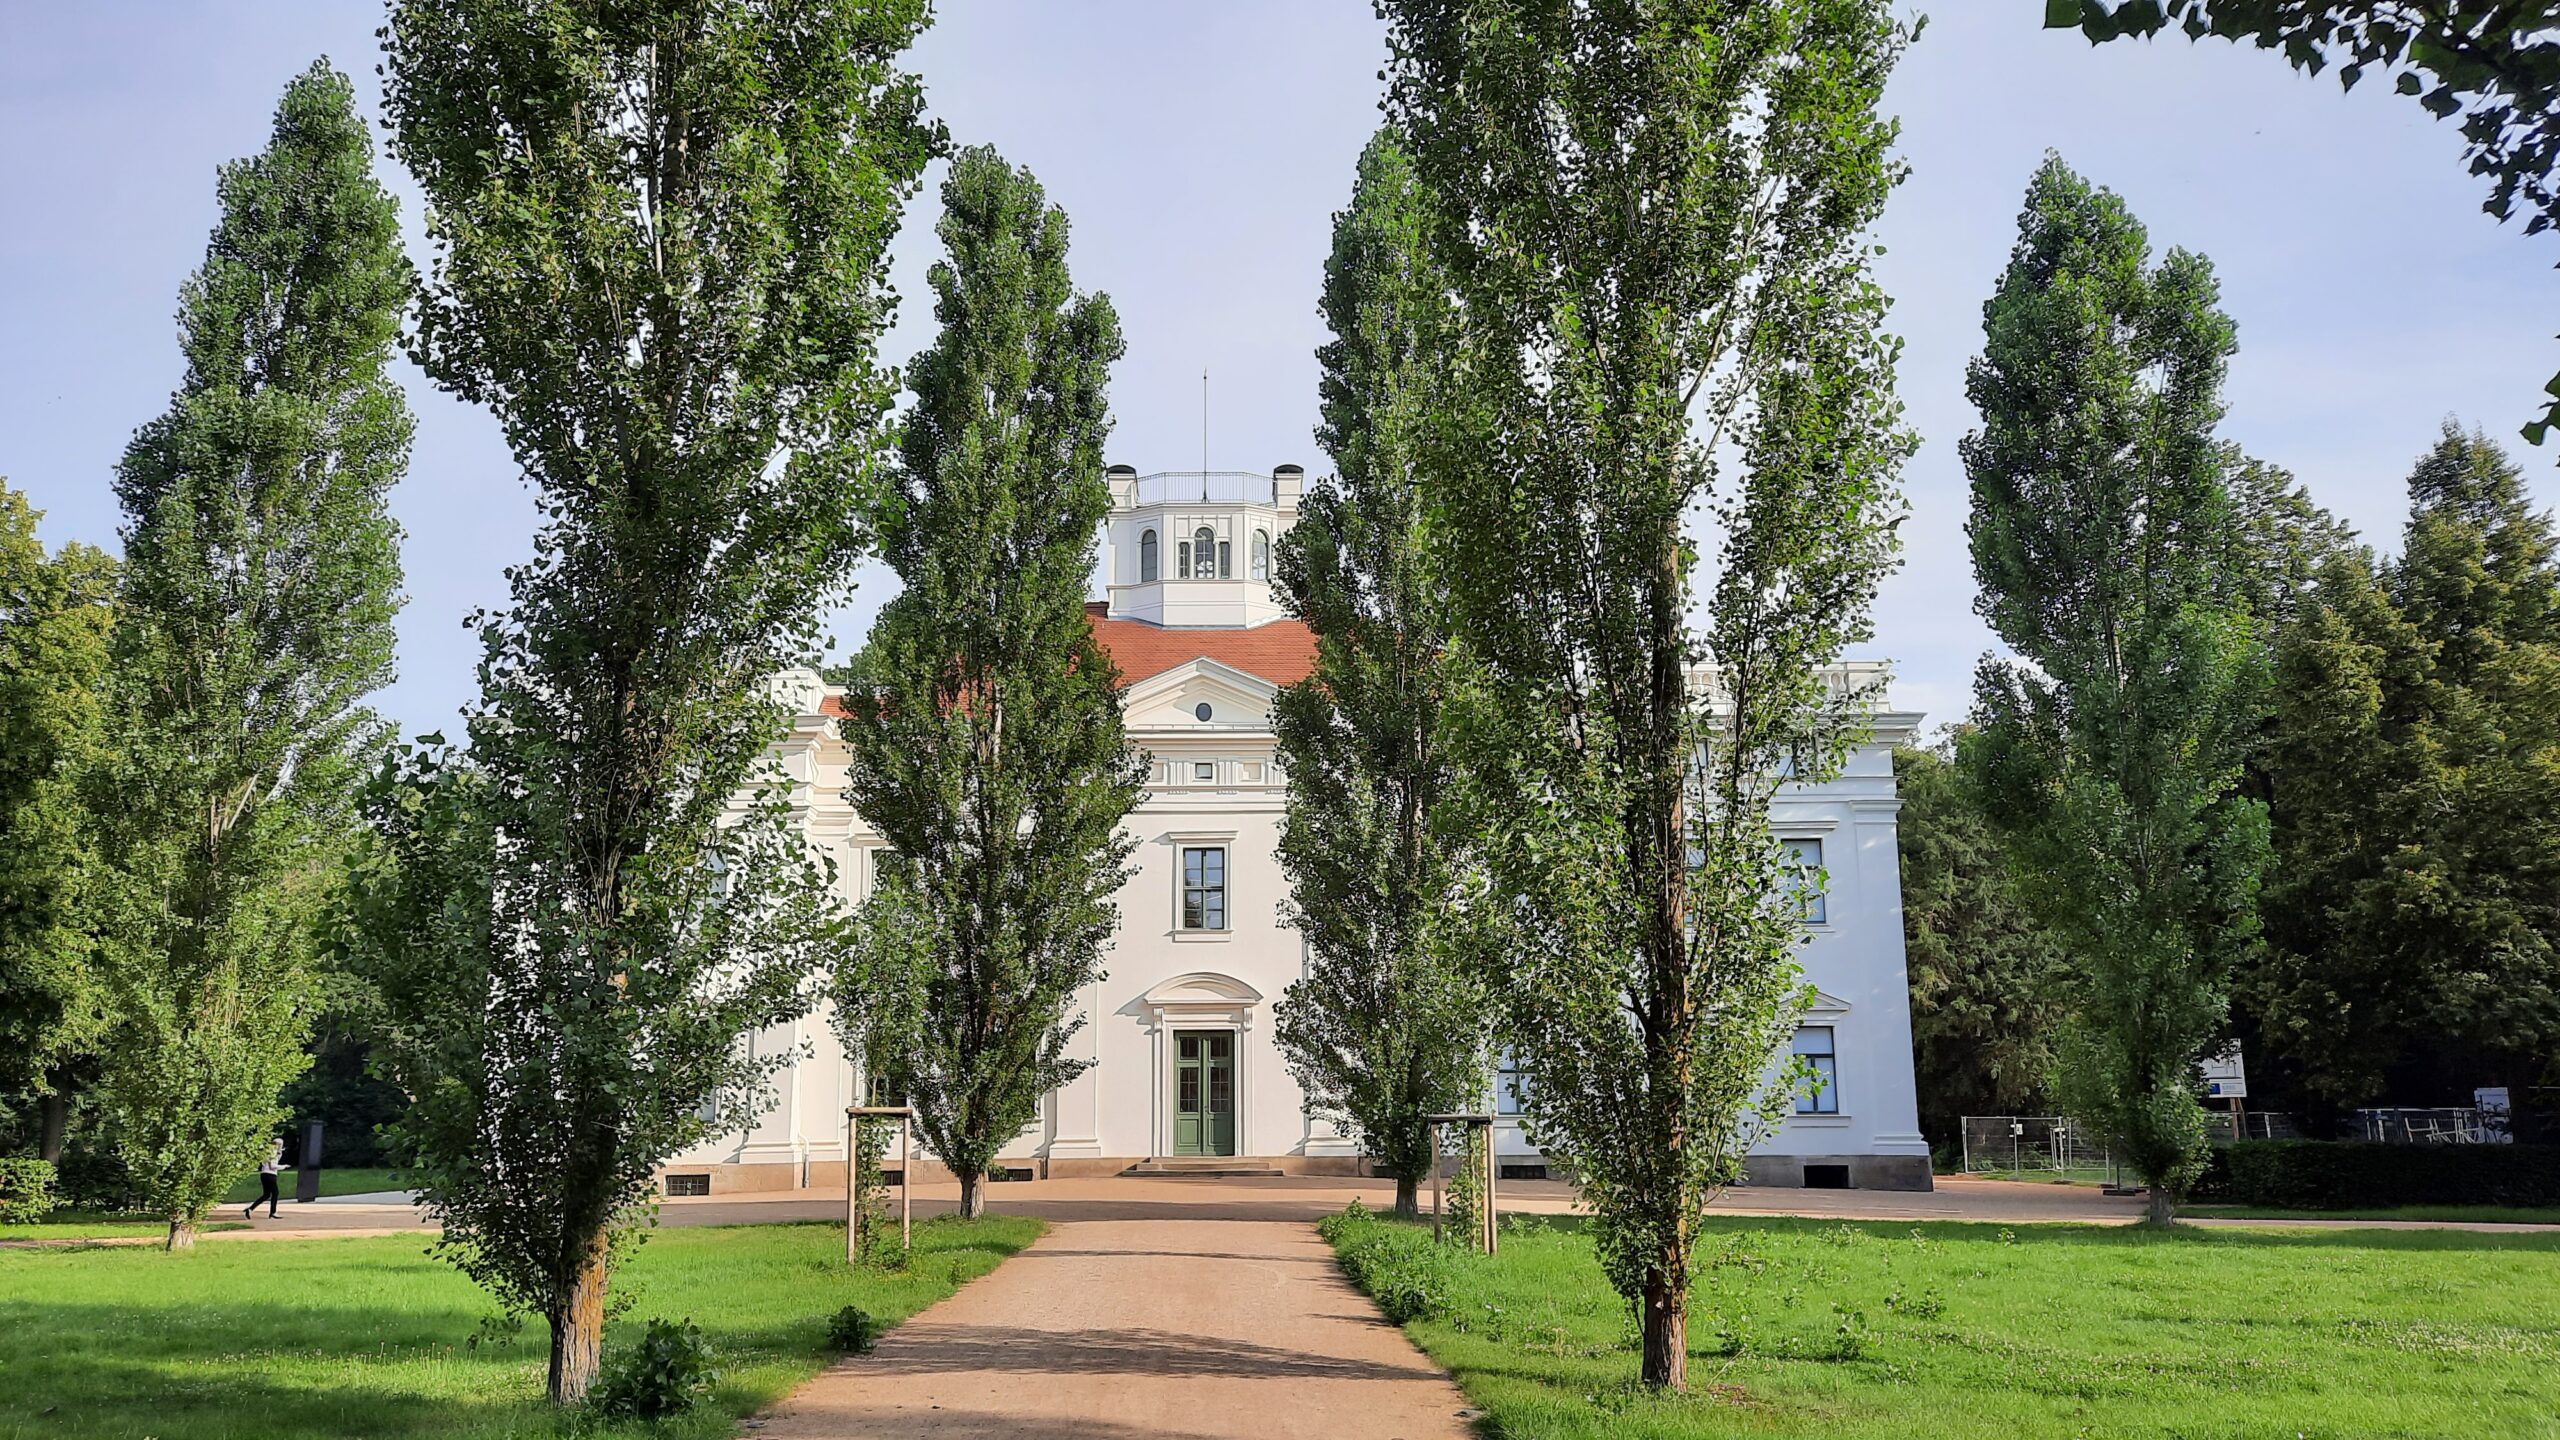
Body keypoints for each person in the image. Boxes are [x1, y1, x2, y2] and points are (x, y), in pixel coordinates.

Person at [245, 1139, 284, 1220]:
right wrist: (283, 1166)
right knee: (275, 1193)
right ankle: (273, 1212)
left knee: (266, 1195)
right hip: (270, 1175)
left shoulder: (268, 1152)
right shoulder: (272, 1153)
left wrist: (279, 1153)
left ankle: (250, 1209)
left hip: (264, 1174)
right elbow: (272, 1166)